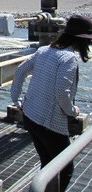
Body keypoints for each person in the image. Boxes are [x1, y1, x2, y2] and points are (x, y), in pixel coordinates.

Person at [10, 14, 92, 191]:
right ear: (82, 40)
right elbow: (62, 92)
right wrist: (72, 111)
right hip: (50, 124)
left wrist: (16, 99)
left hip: (31, 117)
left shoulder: (44, 50)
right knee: (65, 168)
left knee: (47, 164)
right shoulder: (68, 58)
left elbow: (20, 70)